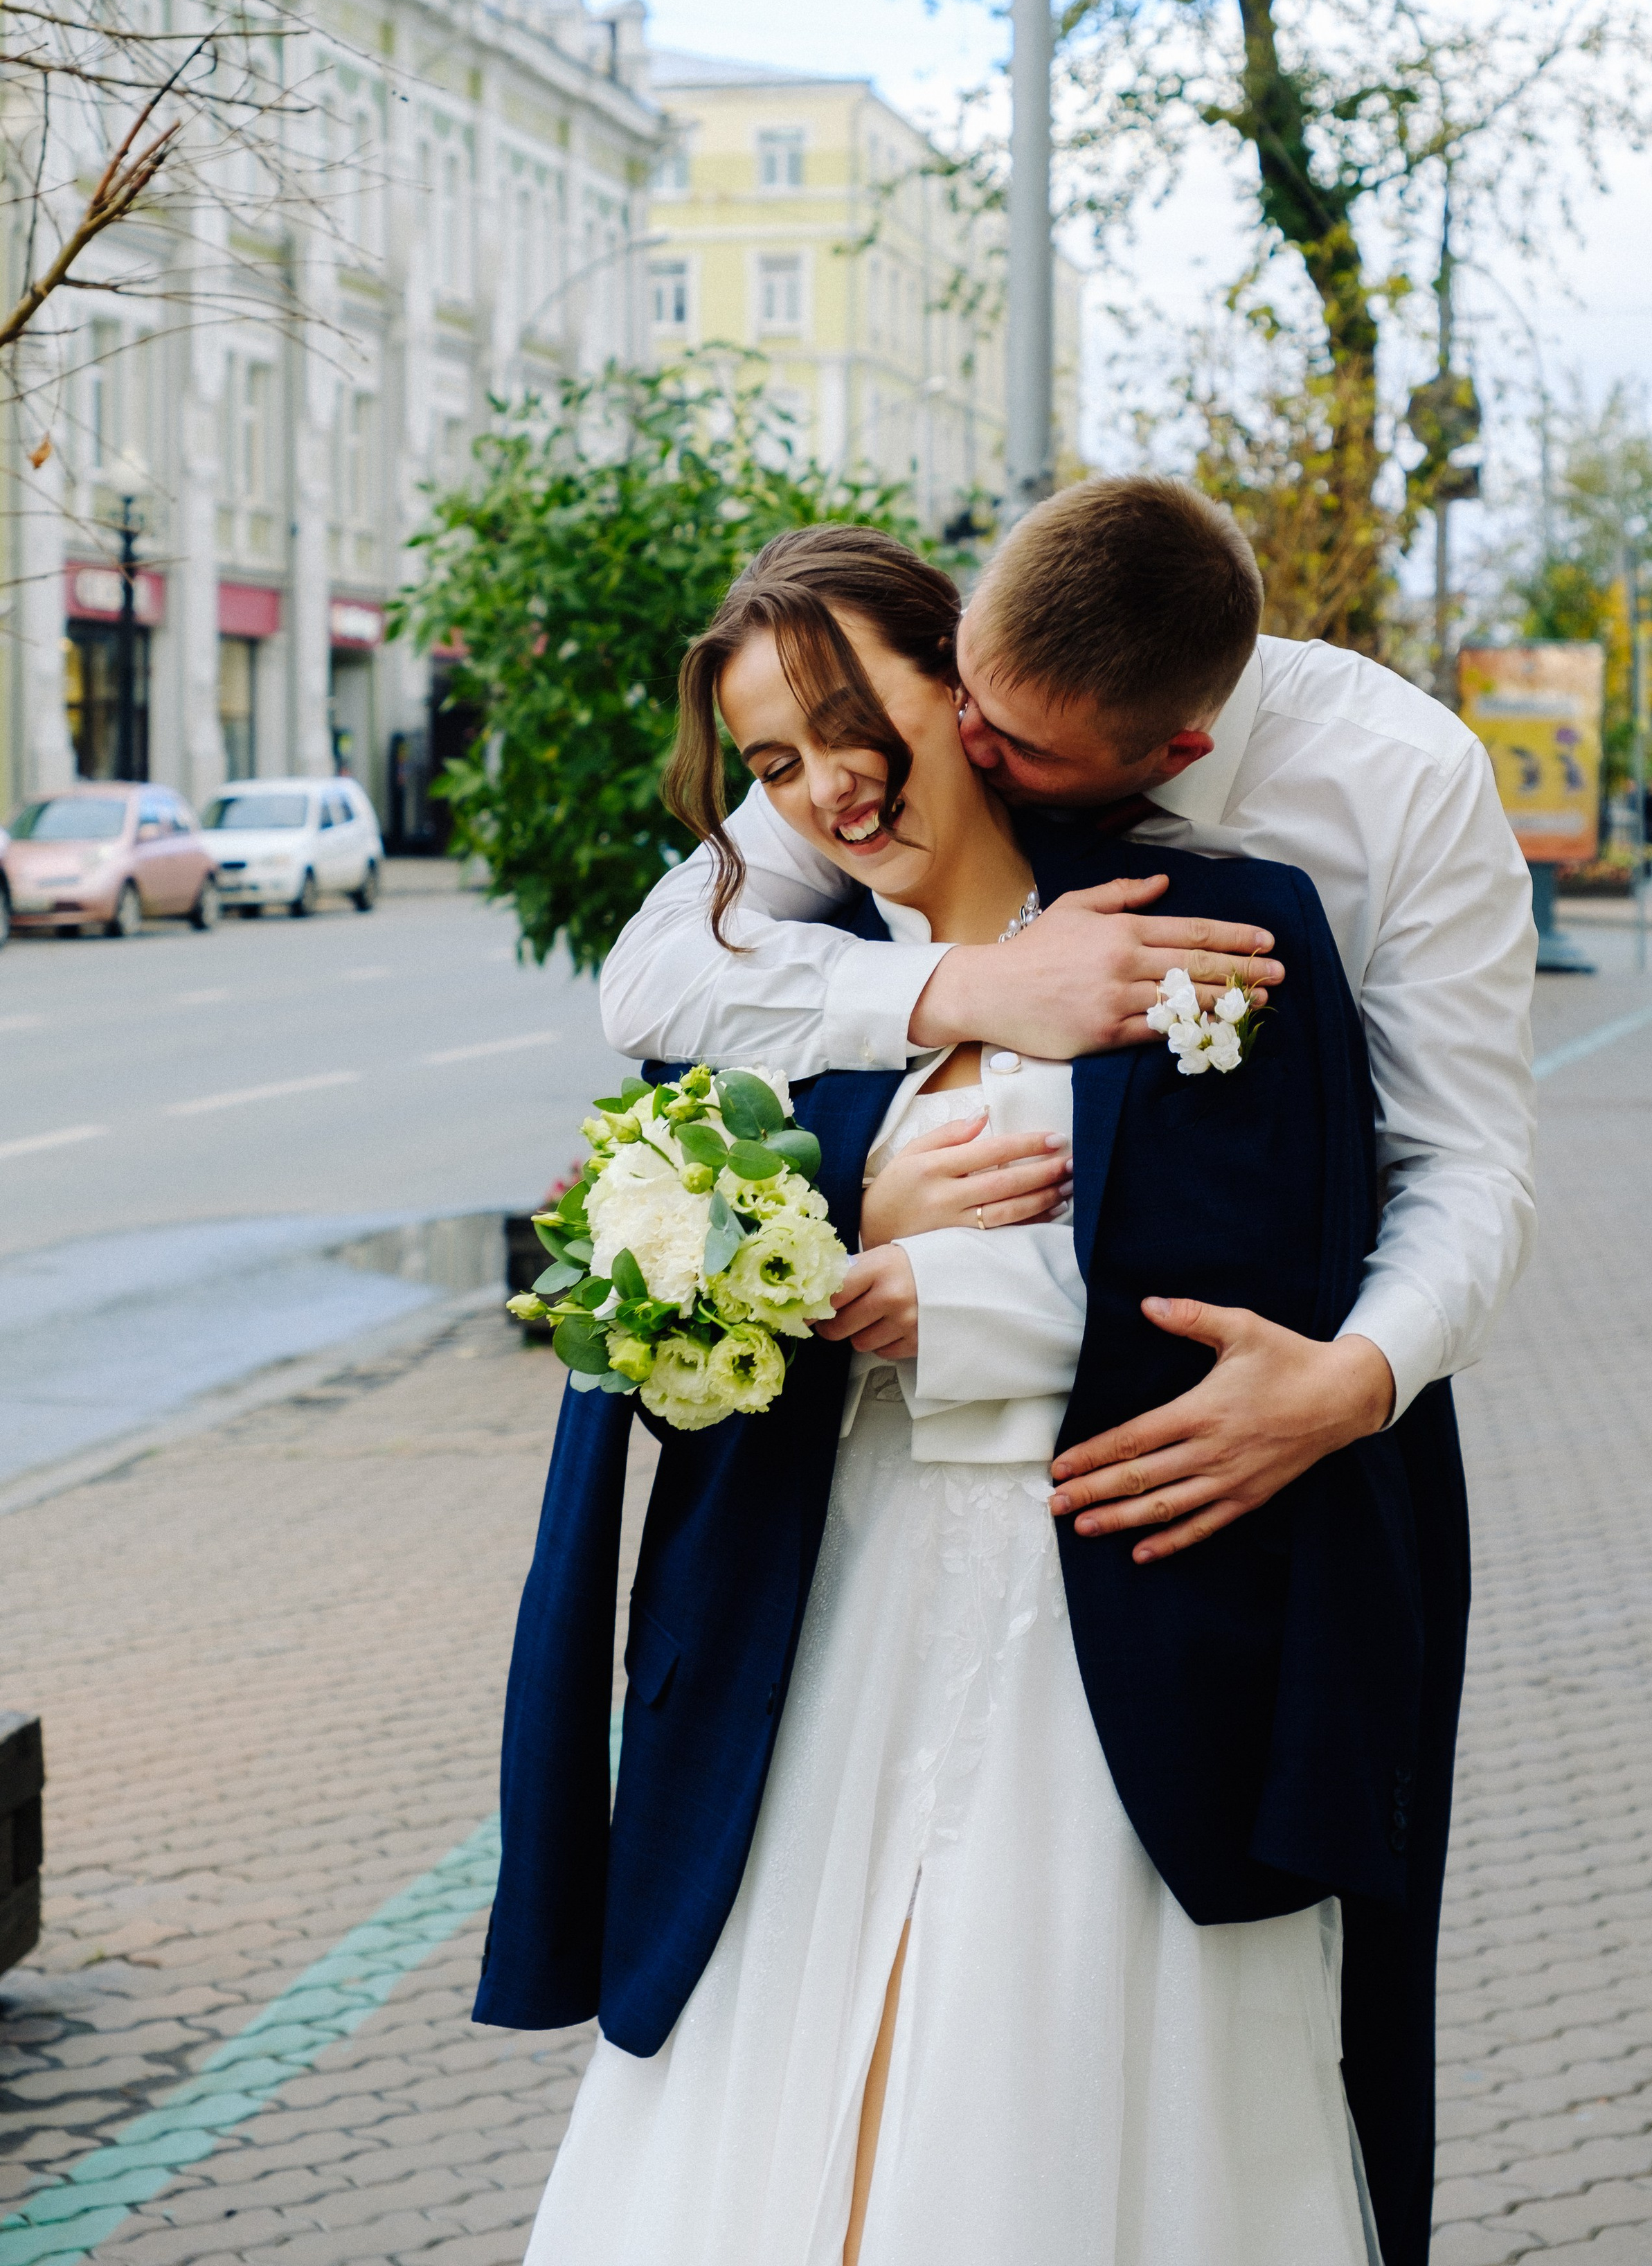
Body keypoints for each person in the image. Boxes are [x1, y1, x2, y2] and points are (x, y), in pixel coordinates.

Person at [480, 524, 1462, 2266]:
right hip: (827, 1616)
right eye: (775, 759)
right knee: (788, 2058)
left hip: (1108, 1635)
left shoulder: (1211, 924)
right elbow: (640, 1265)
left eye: (855, 721)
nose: (828, 787)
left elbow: (1249, 1274)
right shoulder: (784, 969)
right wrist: (848, 1214)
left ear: (966, 686)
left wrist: (945, 1291)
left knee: (1045, 2090)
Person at [601, 474, 1536, 1564]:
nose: (972, 752)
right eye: (963, 696)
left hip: (1251, 1472)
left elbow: (1462, 1164)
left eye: (1023, 750)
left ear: (1174, 757)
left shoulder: (1403, 787)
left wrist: (1357, 1376)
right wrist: (981, 988)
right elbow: (652, 978)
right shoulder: (899, 736)